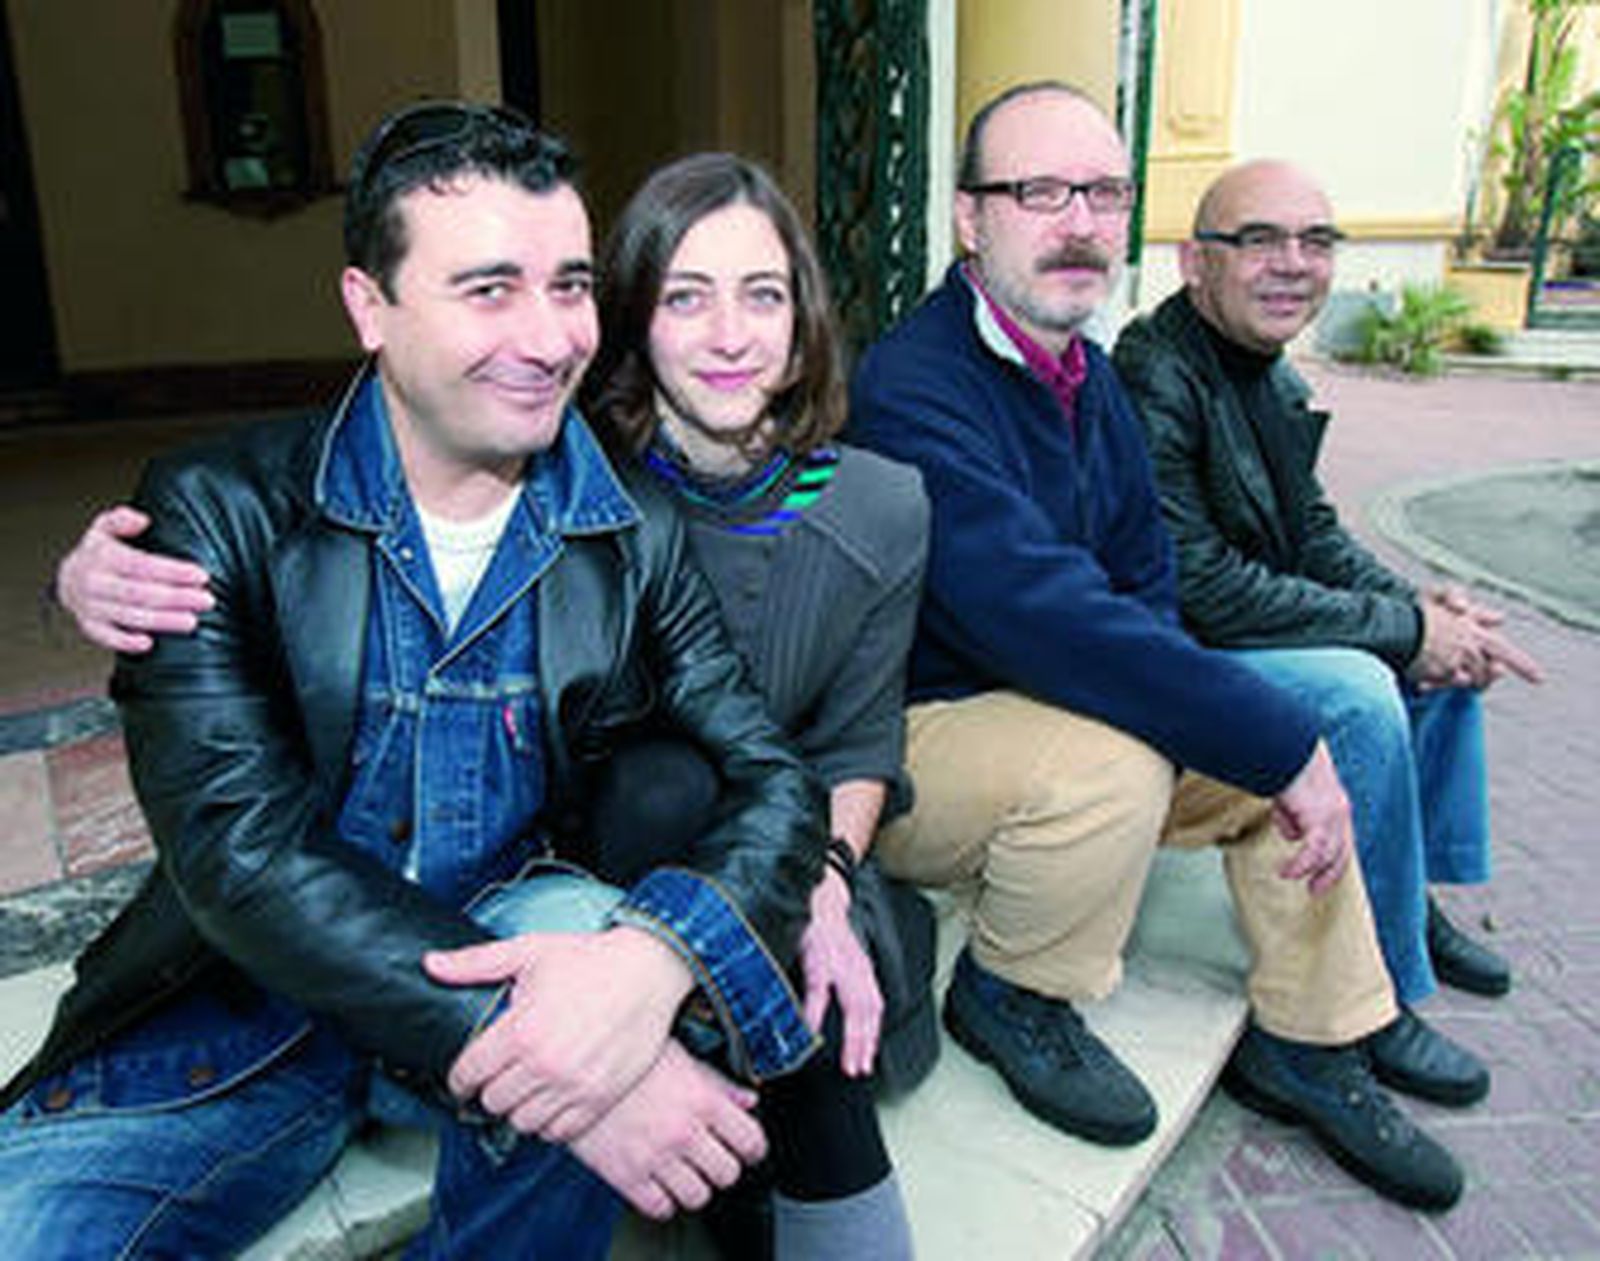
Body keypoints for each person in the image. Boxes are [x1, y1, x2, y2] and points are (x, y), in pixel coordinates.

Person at [48, 152, 928, 1261]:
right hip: (249, 1012)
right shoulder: (226, 512)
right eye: (486, 288)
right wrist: (76, 579)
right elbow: (241, 853)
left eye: (564, 287)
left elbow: (801, 757)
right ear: (369, 305)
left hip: (530, 917)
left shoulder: (631, 521)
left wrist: (676, 953)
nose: (542, 333)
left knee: (666, 903)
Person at [847, 81, 1466, 1211]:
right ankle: (1012, 992)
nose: (1079, 221)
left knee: (1249, 750)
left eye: (1102, 192)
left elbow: (1144, 587)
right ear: (969, 219)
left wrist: (1253, 742)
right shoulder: (911, 385)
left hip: (1057, 707)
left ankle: (1315, 1035)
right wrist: (1263, 735)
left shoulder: (1090, 378)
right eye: (1040, 191)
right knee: (1138, 757)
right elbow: (1041, 611)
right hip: (923, 747)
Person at [1113, 160, 1542, 1050]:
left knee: (1443, 663)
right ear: (1196, 262)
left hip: (1235, 622)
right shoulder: (1154, 376)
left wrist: (1425, 612)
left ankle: (1407, 897)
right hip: (1173, 652)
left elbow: (1314, 534)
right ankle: (1373, 977)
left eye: (1315, 240)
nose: (1292, 262)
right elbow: (1203, 589)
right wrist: (1405, 633)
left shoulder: (1269, 375)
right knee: (1361, 688)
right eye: (1259, 239)